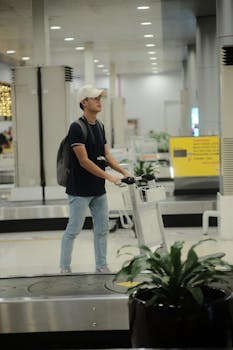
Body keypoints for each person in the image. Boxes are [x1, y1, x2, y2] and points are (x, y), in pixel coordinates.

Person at [60, 84, 131, 273]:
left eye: (100, 98)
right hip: (79, 189)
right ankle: (64, 267)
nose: (100, 102)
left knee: (102, 230)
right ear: (84, 102)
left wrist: (123, 172)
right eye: (95, 98)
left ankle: (101, 266)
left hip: (98, 189)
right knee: (73, 230)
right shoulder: (76, 127)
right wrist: (110, 177)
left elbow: (106, 155)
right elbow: (84, 161)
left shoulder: (100, 126)